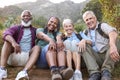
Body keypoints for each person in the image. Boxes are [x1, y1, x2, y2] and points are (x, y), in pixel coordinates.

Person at [0, 10, 40, 80]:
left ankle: (24, 72)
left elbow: (45, 34)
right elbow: (6, 34)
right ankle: (2, 70)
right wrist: (14, 43)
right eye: (24, 16)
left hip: (27, 59)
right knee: (7, 41)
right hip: (14, 56)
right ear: (21, 18)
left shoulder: (35, 30)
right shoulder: (16, 28)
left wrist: (60, 36)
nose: (26, 17)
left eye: (28, 16)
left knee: (37, 47)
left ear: (31, 17)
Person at [82, 10, 120, 80]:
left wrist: (112, 46)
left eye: (90, 18)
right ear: (85, 22)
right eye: (87, 20)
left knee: (116, 40)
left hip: (108, 55)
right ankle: (94, 73)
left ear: (95, 18)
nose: (89, 21)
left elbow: (113, 32)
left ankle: (106, 71)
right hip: (95, 58)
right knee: (83, 45)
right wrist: (83, 41)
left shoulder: (102, 26)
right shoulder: (85, 32)